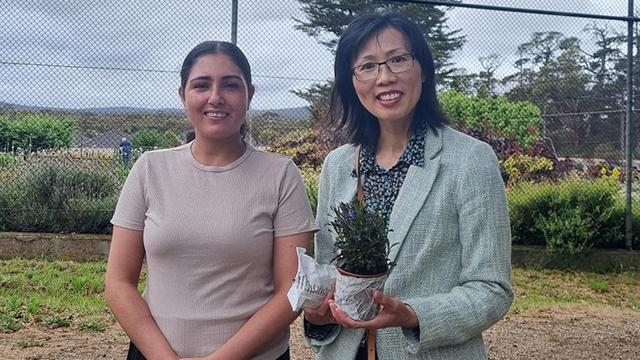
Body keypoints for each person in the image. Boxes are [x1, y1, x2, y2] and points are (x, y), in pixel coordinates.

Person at [303, 12, 513, 360]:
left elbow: (492, 289)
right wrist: (318, 315)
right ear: (352, 81)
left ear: (424, 68)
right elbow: (330, 276)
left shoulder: (470, 160)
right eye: (367, 66)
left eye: (398, 59)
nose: (384, 77)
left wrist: (413, 314)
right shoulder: (337, 165)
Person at [105, 40, 318, 360]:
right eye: (201, 85)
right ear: (183, 96)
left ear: (249, 96)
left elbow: (291, 289)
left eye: (230, 85)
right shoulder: (149, 169)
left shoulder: (280, 175)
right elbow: (119, 282)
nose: (215, 97)